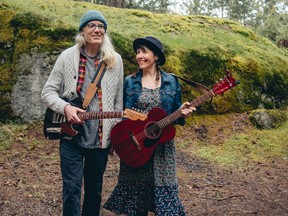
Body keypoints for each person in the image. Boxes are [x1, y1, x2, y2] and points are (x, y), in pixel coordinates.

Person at [41, 10, 124, 216]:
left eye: (101, 26)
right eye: (92, 25)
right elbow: (47, 92)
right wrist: (66, 108)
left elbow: (118, 102)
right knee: (71, 189)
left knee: (94, 191)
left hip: (100, 138)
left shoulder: (115, 60)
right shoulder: (67, 57)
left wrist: (116, 134)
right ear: (82, 31)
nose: (97, 30)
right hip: (71, 136)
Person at [104, 36, 195, 215]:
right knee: (136, 201)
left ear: (156, 56)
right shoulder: (130, 81)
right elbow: (124, 115)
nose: (139, 56)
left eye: (144, 51)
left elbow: (176, 117)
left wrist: (181, 112)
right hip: (136, 145)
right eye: (138, 52)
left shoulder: (172, 82)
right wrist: (119, 141)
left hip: (162, 150)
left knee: (165, 200)